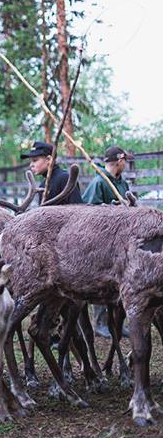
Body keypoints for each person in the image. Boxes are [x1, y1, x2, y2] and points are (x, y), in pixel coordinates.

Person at [83, 145, 134, 338]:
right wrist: (108, 209)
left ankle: (117, 323)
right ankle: (100, 323)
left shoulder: (122, 183)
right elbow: (88, 210)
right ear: (119, 161)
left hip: (119, 242)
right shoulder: (99, 182)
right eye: (125, 161)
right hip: (100, 242)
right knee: (103, 280)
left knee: (118, 280)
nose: (126, 164)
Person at [20, 140, 83, 204]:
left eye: (35, 160)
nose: (31, 165)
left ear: (49, 159)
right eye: (30, 161)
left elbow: (78, 209)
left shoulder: (65, 179)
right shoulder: (42, 185)